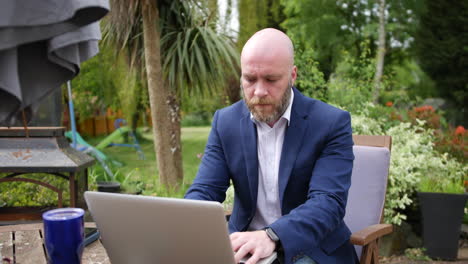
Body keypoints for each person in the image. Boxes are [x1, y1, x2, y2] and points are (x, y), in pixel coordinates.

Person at [185, 28, 357, 264]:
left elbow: (327, 202)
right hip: (244, 245)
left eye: (271, 79)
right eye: (250, 79)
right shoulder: (225, 122)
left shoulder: (330, 123)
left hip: (310, 248)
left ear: (293, 76)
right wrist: (182, 222)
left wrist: (271, 235)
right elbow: (205, 190)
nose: (259, 91)